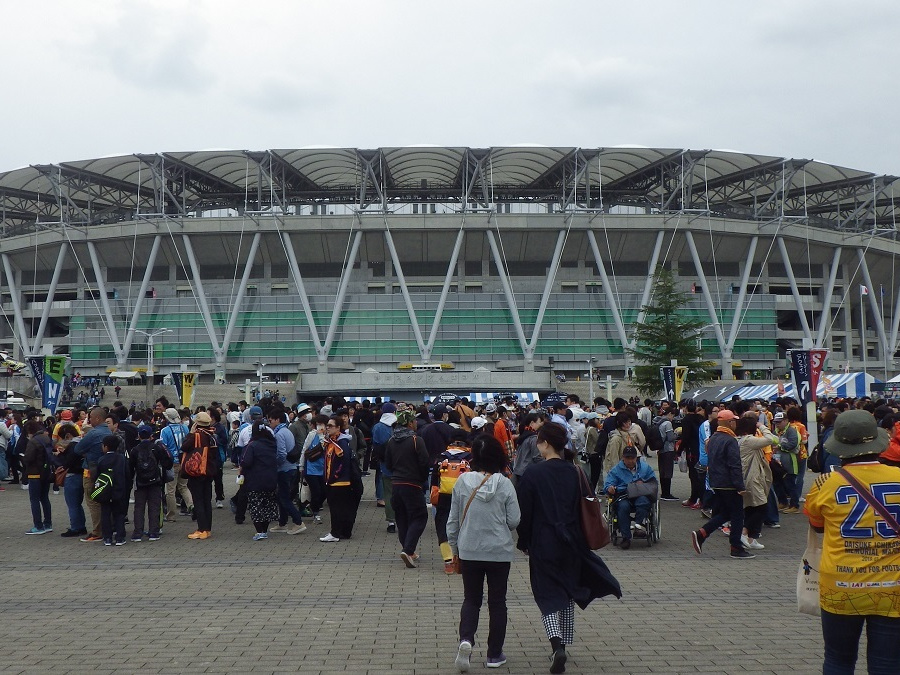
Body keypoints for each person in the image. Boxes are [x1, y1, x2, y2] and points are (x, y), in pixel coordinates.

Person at [516, 422, 622, 674]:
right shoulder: (576, 471)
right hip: (573, 541)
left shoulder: (533, 474)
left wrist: (524, 541)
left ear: (545, 443)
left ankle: (556, 645)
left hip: (544, 541)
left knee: (546, 594)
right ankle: (563, 643)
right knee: (567, 592)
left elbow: (525, 513)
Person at [804, 410, 900, 674]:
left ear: (840, 447)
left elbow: (817, 526)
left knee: (838, 659)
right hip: (893, 586)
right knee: (889, 663)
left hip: (842, 585)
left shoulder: (824, 484)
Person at [447, 435, 521, 672]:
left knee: (471, 599)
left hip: (469, 550)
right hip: (499, 551)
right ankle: (494, 654)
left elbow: (453, 521)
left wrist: (455, 549)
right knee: (497, 603)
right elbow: (514, 520)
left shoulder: (462, 481)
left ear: (474, 457)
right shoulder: (505, 483)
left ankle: (466, 640)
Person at [690, 410, 755, 559]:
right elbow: (734, 465)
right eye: (734, 421)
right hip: (729, 483)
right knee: (738, 515)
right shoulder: (730, 440)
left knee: (725, 513)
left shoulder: (713, 438)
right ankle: (736, 547)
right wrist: (740, 486)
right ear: (730, 422)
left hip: (716, 482)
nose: (736, 423)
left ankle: (702, 533)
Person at [385, 408, 430, 568]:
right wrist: (422, 478)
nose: (416, 423)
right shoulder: (416, 440)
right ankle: (408, 549)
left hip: (396, 483)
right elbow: (425, 463)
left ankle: (408, 551)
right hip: (412, 483)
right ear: (410, 423)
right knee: (419, 516)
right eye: (414, 420)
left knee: (402, 518)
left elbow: (388, 463)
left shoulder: (391, 440)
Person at [603, 445, 657, 549]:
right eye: (627, 458)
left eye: (632, 458)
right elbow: (608, 484)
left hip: (640, 494)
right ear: (623, 458)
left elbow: (653, 483)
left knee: (644, 502)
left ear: (636, 458)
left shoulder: (645, 468)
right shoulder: (616, 470)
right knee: (623, 507)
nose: (630, 461)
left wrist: (644, 483)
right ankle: (626, 537)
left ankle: (638, 526)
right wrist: (610, 488)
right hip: (623, 496)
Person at [320, 414, 363, 542]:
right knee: (340, 508)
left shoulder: (341, 442)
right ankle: (342, 532)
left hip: (339, 482)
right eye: (327, 425)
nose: (327, 428)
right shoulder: (331, 441)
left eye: (330, 426)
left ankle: (335, 533)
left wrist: (334, 476)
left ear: (338, 427)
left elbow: (343, 462)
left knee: (337, 508)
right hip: (334, 481)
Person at [735, 415, 776, 550]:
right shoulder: (749, 440)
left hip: (750, 478)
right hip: (752, 479)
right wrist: (762, 426)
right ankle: (744, 532)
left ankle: (752, 538)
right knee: (761, 506)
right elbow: (771, 439)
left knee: (751, 507)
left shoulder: (739, 440)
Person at [129, 424, 172, 542]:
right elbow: (167, 463)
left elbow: (130, 468)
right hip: (155, 481)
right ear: (151, 436)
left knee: (139, 507)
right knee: (154, 507)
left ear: (138, 436)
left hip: (140, 482)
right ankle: (154, 532)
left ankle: (137, 533)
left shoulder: (135, 450)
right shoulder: (156, 447)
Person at [180, 411, 219, 540]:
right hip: (209, 471)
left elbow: (184, 447)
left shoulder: (196, 435)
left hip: (196, 471)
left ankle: (201, 528)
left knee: (198, 500)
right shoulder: (212, 435)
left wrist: (191, 433)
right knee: (207, 500)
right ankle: (207, 529)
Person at [240, 422, 280, 540]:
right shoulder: (272, 444)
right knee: (268, 505)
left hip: (255, 480)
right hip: (271, 479)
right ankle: (265, 530)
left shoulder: (252, 445)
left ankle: (259, 531)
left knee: (256, 506)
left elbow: (246, 462)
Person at [96, 435, 130, 545]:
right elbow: (127, 475)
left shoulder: (101, 459)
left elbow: (97, 476)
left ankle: (107, 538)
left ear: (106, 447)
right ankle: (120, 537)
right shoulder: (122, 459)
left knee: (105, 514)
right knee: (119, 514)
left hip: (105, 491)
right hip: (119, 490)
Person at [55, 423, 87, 537]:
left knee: (72, 504)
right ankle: (81, 526)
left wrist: (59, 455)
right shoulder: (82, 443)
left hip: (73, 476)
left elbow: (67, 463)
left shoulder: (73, 445)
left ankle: (75, 527)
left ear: (68, 435)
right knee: (78, 503)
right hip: (82, 475)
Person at [23, 420, 53, 534]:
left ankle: (38, 526)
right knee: (44, 498)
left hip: (34, 473)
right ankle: (48, 523)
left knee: (34, 499)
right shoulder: (46, 438)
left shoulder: (33, 441)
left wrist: (23, 457)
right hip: (45, 472)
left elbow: (28, 458)